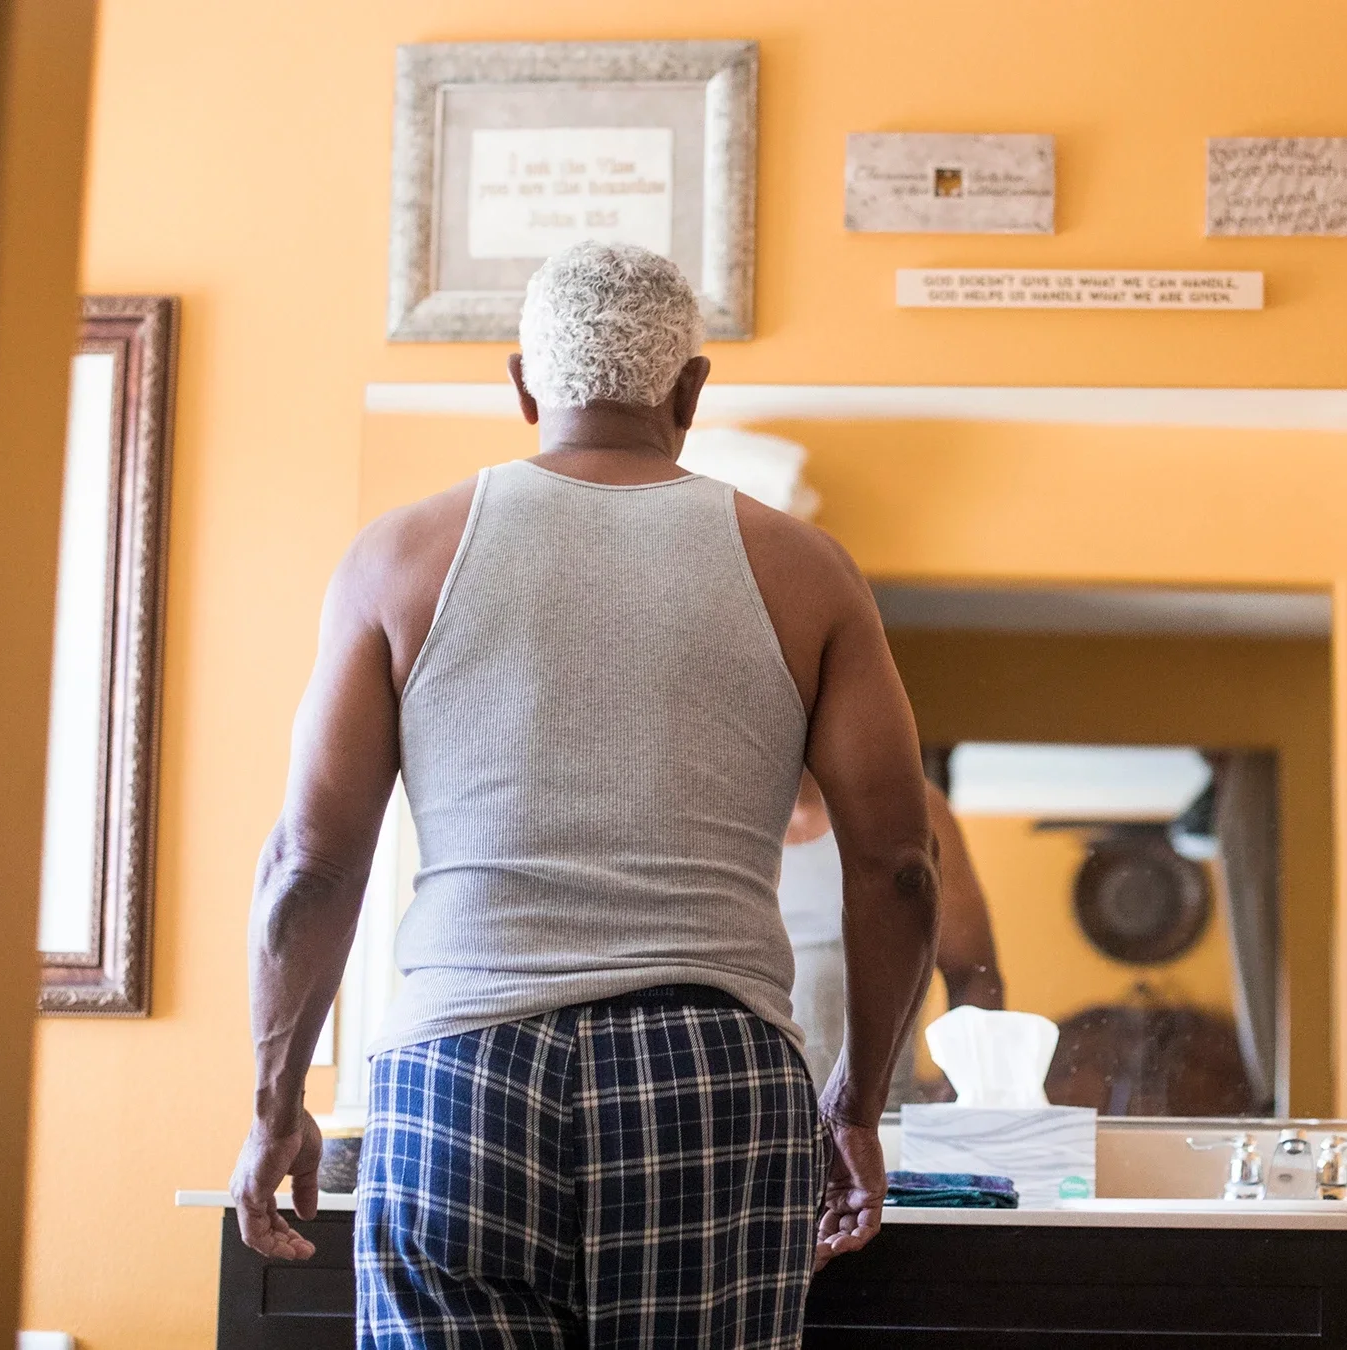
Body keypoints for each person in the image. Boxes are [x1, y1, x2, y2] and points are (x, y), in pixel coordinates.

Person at [225, 240, 939, 1349]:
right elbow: (900, 867)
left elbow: (307, 867)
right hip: (712, 1075)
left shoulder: (395, 558)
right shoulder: (805, 571)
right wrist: (851, 1106)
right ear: (691, 392)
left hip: (456, 1071)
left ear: (523, 383)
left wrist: (276, 1106)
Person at [781, 773, 1004, 1099]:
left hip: (881, 1128)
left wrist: (965, 1100)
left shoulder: (909, 807)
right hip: (755, 1125)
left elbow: (973, 976)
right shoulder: (713, 810)